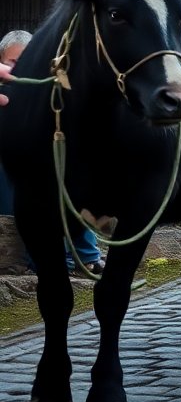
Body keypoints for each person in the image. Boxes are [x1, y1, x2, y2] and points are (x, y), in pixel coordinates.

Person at [0, 30, 104, 274]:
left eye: (25, 61)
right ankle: (42, 259)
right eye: (12, 62)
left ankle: (85, 255)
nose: (18, 68)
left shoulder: (50, 88)